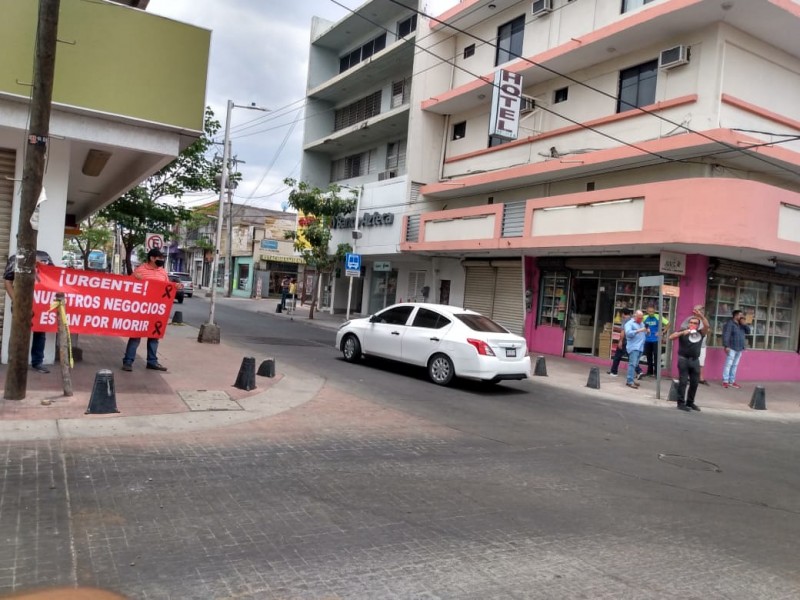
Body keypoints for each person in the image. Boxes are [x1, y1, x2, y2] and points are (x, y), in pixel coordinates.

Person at [3, 250, 53, 373]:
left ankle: (37, 362)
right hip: (21, 302)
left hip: (40, 303)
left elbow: (52, 277)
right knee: (18, 332)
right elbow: (8, 281)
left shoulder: (44, 256)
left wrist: (41, 265)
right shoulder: (15, 258)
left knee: (40, 333)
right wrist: (16, 301)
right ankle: (15, 362)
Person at [122, 248, 169, 372]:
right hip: (142, 309)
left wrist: (176, 286)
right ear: (152, 258)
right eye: (160, 258)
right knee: (136, 336)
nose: (162, 260)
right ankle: (128, 361)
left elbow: (167, 288)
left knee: (154, 336)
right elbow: (130, 286)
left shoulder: (163, 272)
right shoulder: (140, 270)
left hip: (156, 309)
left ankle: (152, 362)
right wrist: (134, 278)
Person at [669, 309, 710, 412]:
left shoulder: (700, 333)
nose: (693, 324)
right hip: (683, 359)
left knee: (695, 383)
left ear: (698, 325)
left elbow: (707, 326)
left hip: (695, 360)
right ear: (688, 323)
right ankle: (680, 403)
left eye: (695, 323)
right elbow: (671, 337)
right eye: (691, 322)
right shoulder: (683, 330)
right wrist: (683, 332)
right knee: (683, 381)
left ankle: (690, 402)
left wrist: (701, 316)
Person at [607, 308, 642, 378]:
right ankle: (639, 371)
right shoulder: (633, 320)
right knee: (632, 358)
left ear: (623, 314)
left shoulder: (625, 320)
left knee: (617, 356)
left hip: (625, 341)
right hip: (632, 342)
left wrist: (620, 341)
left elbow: (623, 332)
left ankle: (614, 372)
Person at [680, 304, 709, 385]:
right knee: (691, 360)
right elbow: (682, 327)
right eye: (699, 310)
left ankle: (701, 378)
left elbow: (707, 327)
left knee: (701, 362)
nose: (701, 312)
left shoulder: (704, 320)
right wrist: (690, 329)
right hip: (692, 343)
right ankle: (689, 377)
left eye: (702, 310)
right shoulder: (690, 319)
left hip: (702, 344)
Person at [722, 309, 750, 389]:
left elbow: (748, 332)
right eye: (740, 315)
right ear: (736, 316)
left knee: (735, 365)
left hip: (740, 348)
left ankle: (732, 381)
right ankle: (725, 381)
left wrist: (744, 324)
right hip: (732, 348)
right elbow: (726, 335)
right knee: (728, 365)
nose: (742, 316)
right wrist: (726, 346)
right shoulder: (729, 324)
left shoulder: (742, 324)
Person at [642, 303, 669, 377]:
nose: (651, 313)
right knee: (648, 356)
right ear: (647, 311)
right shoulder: (644, 317)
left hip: (656, 340)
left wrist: (663, 332)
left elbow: (668, 323)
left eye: (652, 312)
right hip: (647, 339)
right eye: (650, 311)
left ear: (655, 311)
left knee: (656, 356)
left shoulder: (658, 317)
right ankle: (649, 371)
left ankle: (656, 373)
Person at [624, 310, 647, 389]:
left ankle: (631, 379)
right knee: (632, 364)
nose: (641, 320)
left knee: (635, 365)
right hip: (634, 347)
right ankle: (629, 381)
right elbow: (628, 333)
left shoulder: (641, 323)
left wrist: (647, 331)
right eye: (639, 318)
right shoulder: (629, 323)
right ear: (635, 316)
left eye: (642, 318)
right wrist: (638, 330)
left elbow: (645, 333)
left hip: (640, 347)